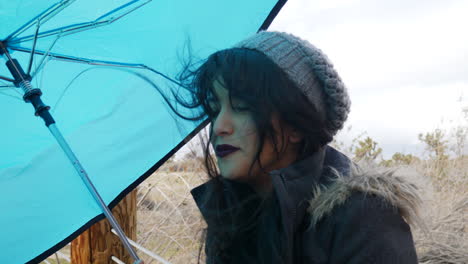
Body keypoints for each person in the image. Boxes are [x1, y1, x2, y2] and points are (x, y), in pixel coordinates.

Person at [176, 31, 424, 263]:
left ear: (296, 125)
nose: (219, 126)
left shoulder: (364, 219)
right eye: (214, 108)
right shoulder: (229, 215)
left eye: (241, 106)